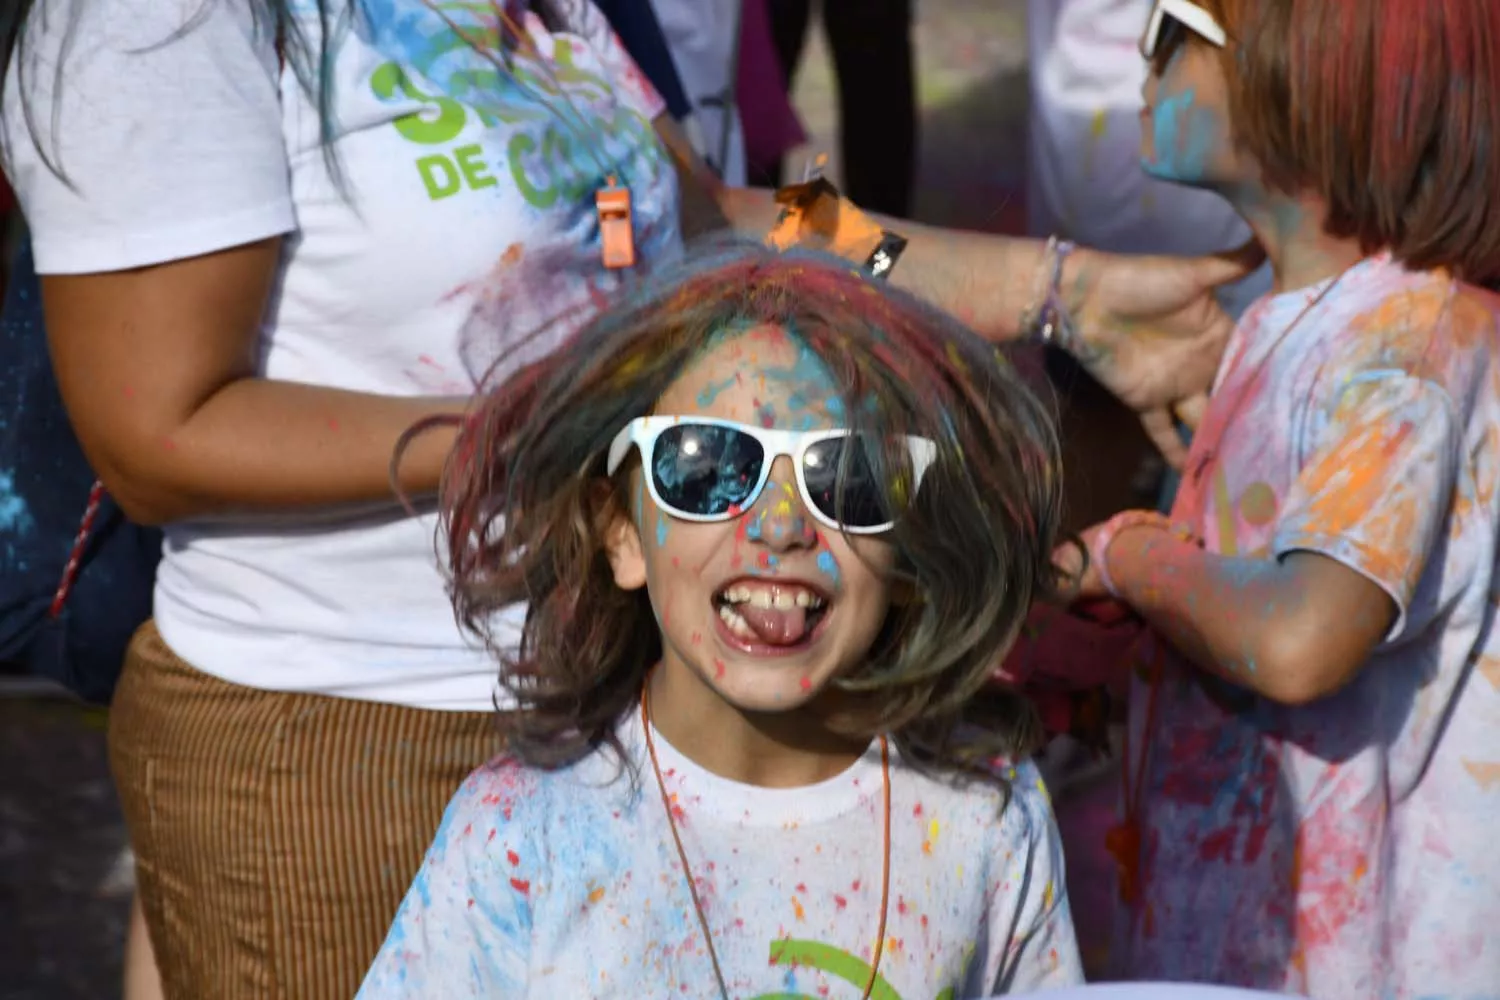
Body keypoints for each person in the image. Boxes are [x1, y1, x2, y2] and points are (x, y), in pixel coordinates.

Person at [0, 0, 1256, 994]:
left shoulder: (549, 11)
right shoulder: (160, 23)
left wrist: (1057, 290)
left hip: (602, 705)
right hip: (348, 740)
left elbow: (743, 212)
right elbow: (154, 428)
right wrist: (556, 431)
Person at [359, 244, 1084, 997]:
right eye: (706, 469)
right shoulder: (519, 835)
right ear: (622, 534)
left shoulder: (984, 816)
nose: (780, 527)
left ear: (911, 551)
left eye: (849, 476)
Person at [1060, 0, 1500, 993]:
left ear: (1312, 69)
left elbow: (1301, 635)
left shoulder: (1409, 350)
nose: (1145, 51)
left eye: (1174, 23)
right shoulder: (1303, 322)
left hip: (1351, 963)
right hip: (1243, 930)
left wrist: (1131, 556)